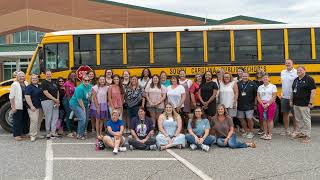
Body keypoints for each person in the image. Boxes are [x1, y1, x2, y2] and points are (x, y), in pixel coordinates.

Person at [291, 66, 316, 143]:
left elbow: (313, 91)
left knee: (306, 120)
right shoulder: (296, 80)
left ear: (304, 70)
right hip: (296, 104)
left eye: (300, 70)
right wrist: (291, 100)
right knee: (298, 120)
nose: (299, 71)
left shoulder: (309, 79)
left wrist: (311, 102)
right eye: (298, 70)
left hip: (305, 104)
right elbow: (293, 91)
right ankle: (301, 133)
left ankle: (307, 136)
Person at [69, 75, 92, 140]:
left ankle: (82, 132)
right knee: (82, 118)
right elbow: (79, 99)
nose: (87, 81)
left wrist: (89, 103)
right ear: (82, 81)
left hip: (85, 104)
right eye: (85, 80)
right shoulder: (80, 88)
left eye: (88, 80)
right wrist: (83, 108)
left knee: (85, 119)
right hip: (75, 104)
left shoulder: (90, 86)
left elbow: (89, 96)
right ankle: (79, 134)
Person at [9, 71, 29, 141]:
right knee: (17, 120)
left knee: (25, 120)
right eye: (20, 76)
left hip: (25, 105)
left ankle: (23, 133)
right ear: (17, 77)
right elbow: (11, 97)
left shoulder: (26, 83)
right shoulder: (14, 84)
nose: (21, 77)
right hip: (18, 105)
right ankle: (16, 135)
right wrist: (13, 107)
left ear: (24, 77)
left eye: (23, 76)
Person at [237, 72, 257, 139]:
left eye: (246, 76)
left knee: (249, 118)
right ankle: (246, 131)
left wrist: (255, 104)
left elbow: (256, 95)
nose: (244, 77)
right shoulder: (238, 84)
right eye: (243, 76)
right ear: (241, 76)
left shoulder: (253, 84)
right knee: (241, 119)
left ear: (248, 76)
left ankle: (251, 132)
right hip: (240, 105)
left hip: (250, 105)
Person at [257, 73, 277, 140]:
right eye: (263, 78)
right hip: (262, 104)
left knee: (270, 119)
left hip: (270, 104)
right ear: (262, 79)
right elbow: (258, 97)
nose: (265, 79)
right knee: (264, 119)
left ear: (269, 78)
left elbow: (274, 96)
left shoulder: (273, 86)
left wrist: (267, 104)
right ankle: (265, 133)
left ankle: (270, 134)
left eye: (266, 77)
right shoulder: (260, 87)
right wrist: (262, 104)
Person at [280, 59, 298, 136]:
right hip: (284, 96)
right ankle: (286, 130)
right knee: (285, 114)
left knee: (295, 115)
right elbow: (283, 84)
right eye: (286, 63)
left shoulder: (296, 72)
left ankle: (295, 130)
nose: (287, 64)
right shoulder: (282, 72)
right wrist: (281, 93)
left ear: (292, 63)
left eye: (289, 63)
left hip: (294, 97)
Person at [41, 70, 60, 139]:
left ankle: (53, 132)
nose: (48, 75)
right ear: (45, 75)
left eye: (50, 74)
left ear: (51, 75)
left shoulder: (53, 82)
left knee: (55, 116)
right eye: (47, 74)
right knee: (48, 117)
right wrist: (54, 99)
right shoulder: (44, 83)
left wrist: (57, 100)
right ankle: (48, 132)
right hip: (47, 101)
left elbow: (57, 91)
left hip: (55, 102)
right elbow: (46, 93)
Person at [25, 74, 44, 142]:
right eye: (33, 78)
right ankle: (32, 135)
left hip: (40, 107)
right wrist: (31, 106)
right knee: (34, 121)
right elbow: (27, 97)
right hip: (33, 107)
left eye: (35, 78)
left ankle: (37, 134)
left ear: (38, 79)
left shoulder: (40, 86)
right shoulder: (29, 87)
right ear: (31, 80)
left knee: (39, 121)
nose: (34, 79)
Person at [63, 71, 77, 137]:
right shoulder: (67, 83)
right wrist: (70, 103)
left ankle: (72, 130)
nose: (73, 76)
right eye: (72, 75)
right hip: (67, 100)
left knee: (72, 115)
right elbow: (68, 94)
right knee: (69, 115)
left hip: (72, 100)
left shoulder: (74, 83)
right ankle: (69, 131)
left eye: (74, 75)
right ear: (69, 76)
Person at [253, 68, 265, 135]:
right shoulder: (254, 82)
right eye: (258, 73)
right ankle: (261, 128)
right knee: (260, 116)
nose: (259, 74)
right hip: (257, 101)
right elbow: (254, 93)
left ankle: (266, 128)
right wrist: (255, 103)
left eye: (261, 72)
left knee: (266, 116)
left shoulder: (265, 81)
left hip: (265, 100)